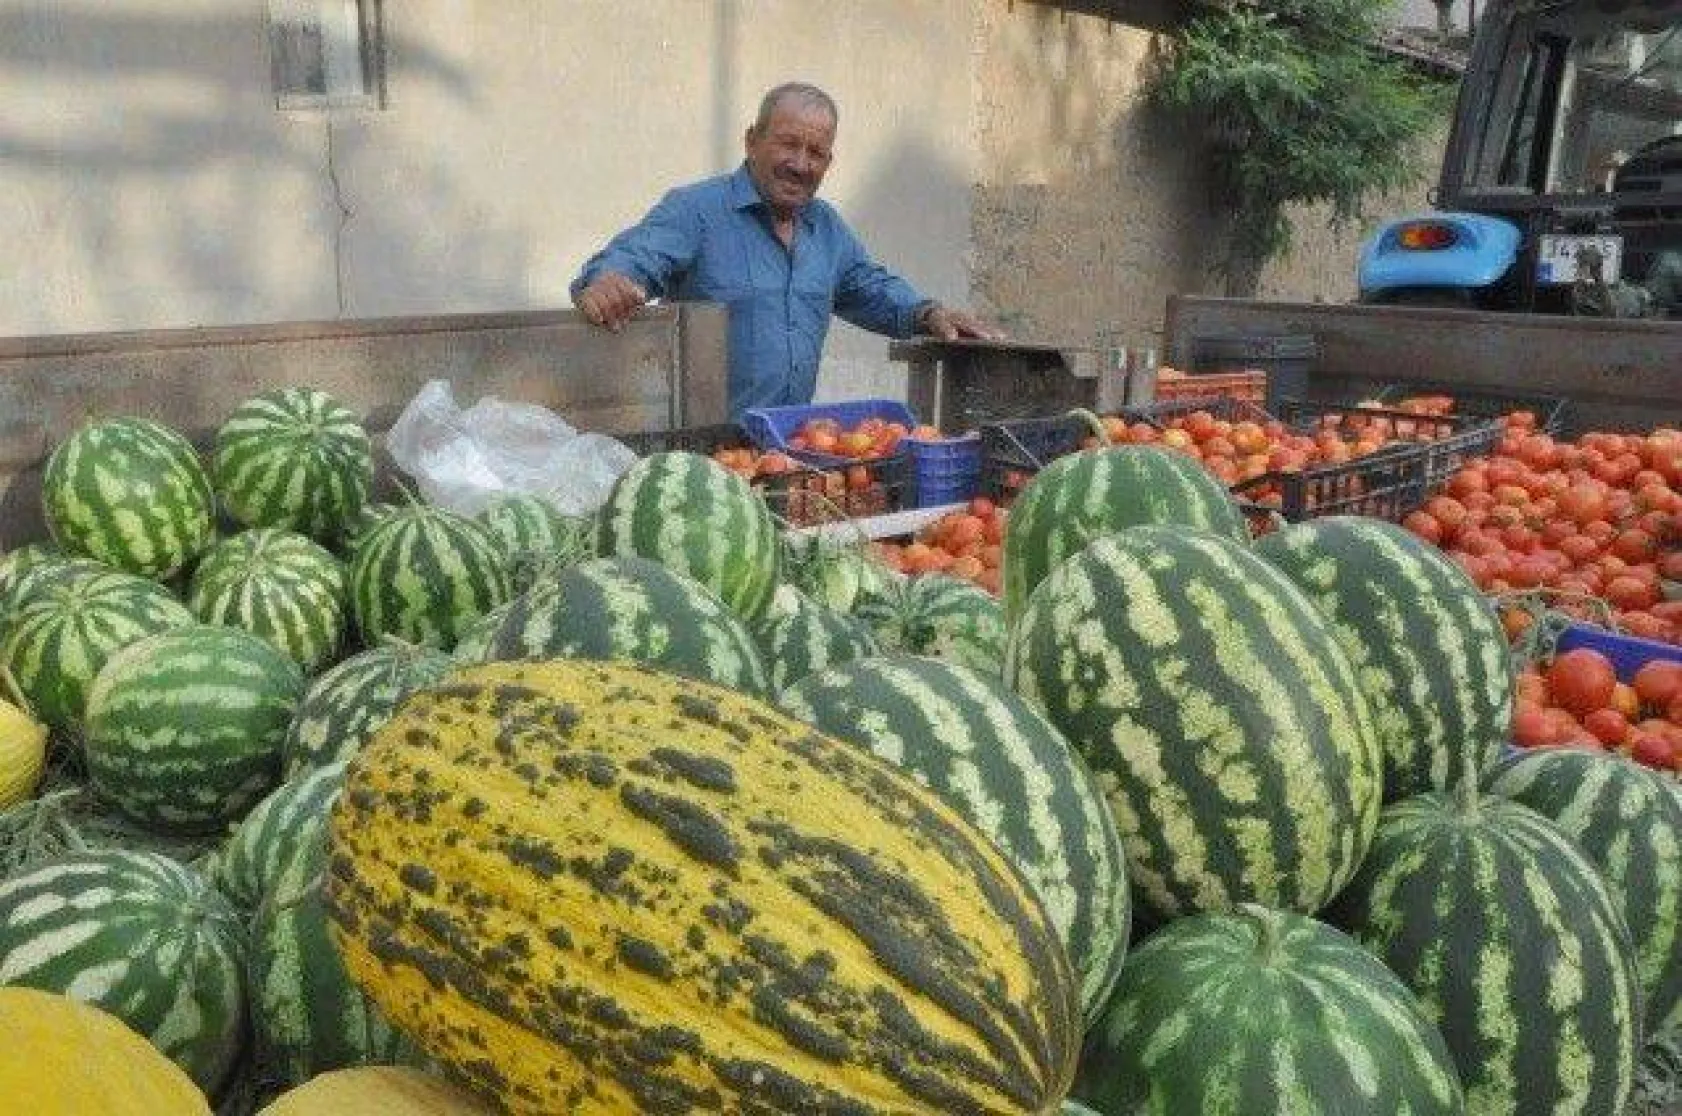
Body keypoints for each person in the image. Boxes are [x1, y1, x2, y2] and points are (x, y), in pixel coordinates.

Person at [571, 81, 1002, 419]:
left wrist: (927, 313)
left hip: (787, 452)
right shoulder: (696, 210)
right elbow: (635, 257)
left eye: (816, 152)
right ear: (751, 141)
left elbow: (868, 286)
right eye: (788, 143)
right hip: (705, 458)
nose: (800, 163)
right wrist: (606, 282)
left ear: (828, 163)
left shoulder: (827, 228)